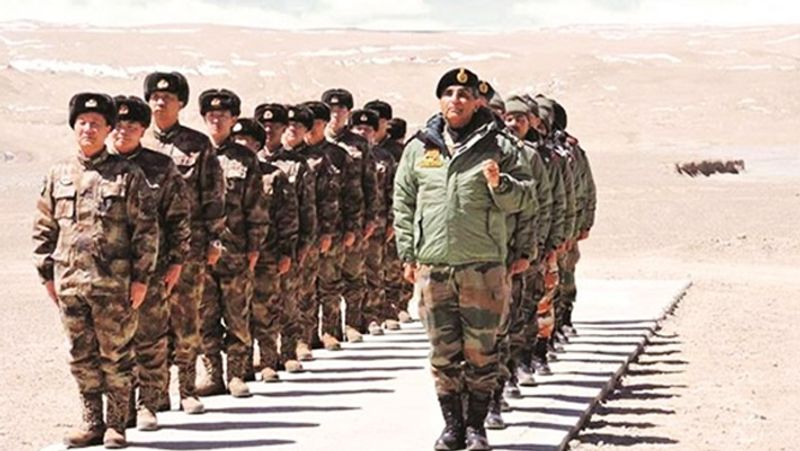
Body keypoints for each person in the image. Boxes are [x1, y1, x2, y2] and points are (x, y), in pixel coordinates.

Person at [393, 67, 536, 451]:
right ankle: (452, 427)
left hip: (483, 266)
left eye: (463, 94)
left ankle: (476, 426)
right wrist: (408, 253)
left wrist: (499, 184)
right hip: (434, 266)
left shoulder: (500, 147)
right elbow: (403, 203)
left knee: (482, 351)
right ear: (440, 100)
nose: (455, 100)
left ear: (476, 103)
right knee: (443, 352)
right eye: (449, 93)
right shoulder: (420, 148)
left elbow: (526, 198)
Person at [34, 93, 159, 448]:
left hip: (114, 286)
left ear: (108, 130)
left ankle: (117, 424)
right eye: (82, 123)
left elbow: (146, 231)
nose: (88, 129)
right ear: (74, 127)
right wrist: (46, 275)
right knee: (80, 356)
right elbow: (44, 227)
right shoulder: (58, 174)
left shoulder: (127, 175)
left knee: (116, 356)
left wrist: (141, 279)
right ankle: (91, 422)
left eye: (96, 124)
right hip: (70, 284)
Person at [141, 71, 226, 414]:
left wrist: (215, 238)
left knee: (187, 317)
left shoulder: (197, 144)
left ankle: (187, 390)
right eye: (155, 97)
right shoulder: (138, 141)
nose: (160, 102)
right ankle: (156, 393)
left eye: (168, 97)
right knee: (151, 323)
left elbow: (213, 195)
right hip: (148, 249)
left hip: (189, 246)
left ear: (181, 103)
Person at [111, 95, 191, 431]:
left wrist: (176, 262)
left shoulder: (160, 166)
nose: (123, 130)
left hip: (152, 268)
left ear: (143, 129)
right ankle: (121, 410)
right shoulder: (101, 166)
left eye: (132, 124)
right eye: (118, 124)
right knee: (115, 344)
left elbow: (178, 218)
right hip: (108, 273)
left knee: (150, 339)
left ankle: (149, 403)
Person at [195, 89, 269, 399]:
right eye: (211, 115)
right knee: (204, 315)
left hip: (235, 250)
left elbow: (257, 207)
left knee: (237, 314)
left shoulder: (245, 158)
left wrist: (255, 247)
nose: (217, 119)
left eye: (223, 115)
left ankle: (237, 373)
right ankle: (213, 373)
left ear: (234, 119)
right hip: (200, 252)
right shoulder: (196, 153)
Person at [231, 117, 300, 382]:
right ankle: (243, 365)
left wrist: (287, 252)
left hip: (267, 254)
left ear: (257, 146)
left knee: (265, 307)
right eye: (237, 141)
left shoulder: (273, 175)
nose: (241, 146)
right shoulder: (225, 174)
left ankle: (269, 360)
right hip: (235, 254)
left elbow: (288, 217)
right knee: (239, 311)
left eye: (247, 142)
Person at [260, 104, 318, 373]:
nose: (269, 129)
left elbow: (307, 207)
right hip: (257, 246)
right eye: (264, 125)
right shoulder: (250, 160)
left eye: (275, 125)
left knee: (288, 299)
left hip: (287, 243)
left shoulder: (296, 164)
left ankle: (289, 351)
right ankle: (265, 357)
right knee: (261, 304)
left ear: (284, 128)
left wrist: (302, 244)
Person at [322, 88, 379, 342]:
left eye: (341, 110)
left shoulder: (358, 144)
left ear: (349, 112)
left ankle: (353, 323)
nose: (336, 114)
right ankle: (328, 330)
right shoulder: (316, 141)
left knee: (354, 273)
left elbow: (370, 182)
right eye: (332, 110)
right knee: (326, 278)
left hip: (353, 217)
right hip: (325, 220)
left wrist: (370, 218)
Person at [350, 107, 394, 336]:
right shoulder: (347, 155)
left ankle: (372, 316)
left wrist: (391, 221)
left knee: (374, 270)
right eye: (358, 128)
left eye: (367, 129)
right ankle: (352, 320)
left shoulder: (384, 158)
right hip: (351, 224)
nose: (363, 132)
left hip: (377, 223)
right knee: (352, 274)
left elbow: (392, 192)